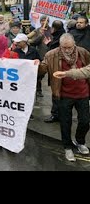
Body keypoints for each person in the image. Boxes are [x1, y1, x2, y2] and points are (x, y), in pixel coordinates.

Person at [39, 33, 90, 161]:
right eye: (64, 47)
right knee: (65, 123)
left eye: (69, 47)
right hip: (63, 95)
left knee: (85, 121)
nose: (67, 50)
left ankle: (80, 141)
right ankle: (67, 147)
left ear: (74, 44)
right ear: (60, 45)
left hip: (83, 93)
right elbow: (42, 70)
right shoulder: (51, 54)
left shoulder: (83, 52)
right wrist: (37, 66)